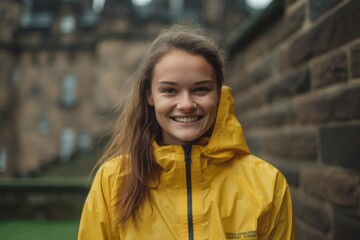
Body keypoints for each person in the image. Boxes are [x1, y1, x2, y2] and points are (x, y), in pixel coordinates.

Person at [78, 25, 296, 240]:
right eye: (170, 90)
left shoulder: (267, 183)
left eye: (201, 89)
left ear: (219, 93)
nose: (186, 104)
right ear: (150, 96)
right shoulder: (112, 181)